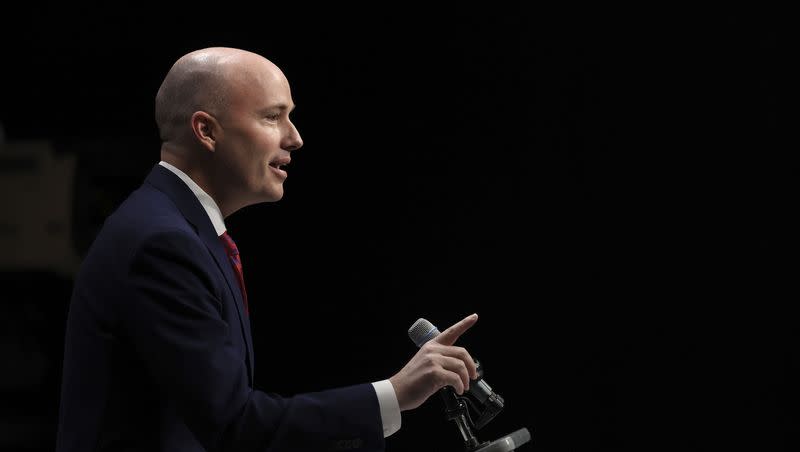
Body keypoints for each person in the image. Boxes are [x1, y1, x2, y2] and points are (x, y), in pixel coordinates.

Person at [55, 47, 480, 452]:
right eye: (273, 117)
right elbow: (235, 427)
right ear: (206, 130)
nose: (295, 138)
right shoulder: (161, 243)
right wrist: (393, 394)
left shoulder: (179, 228)